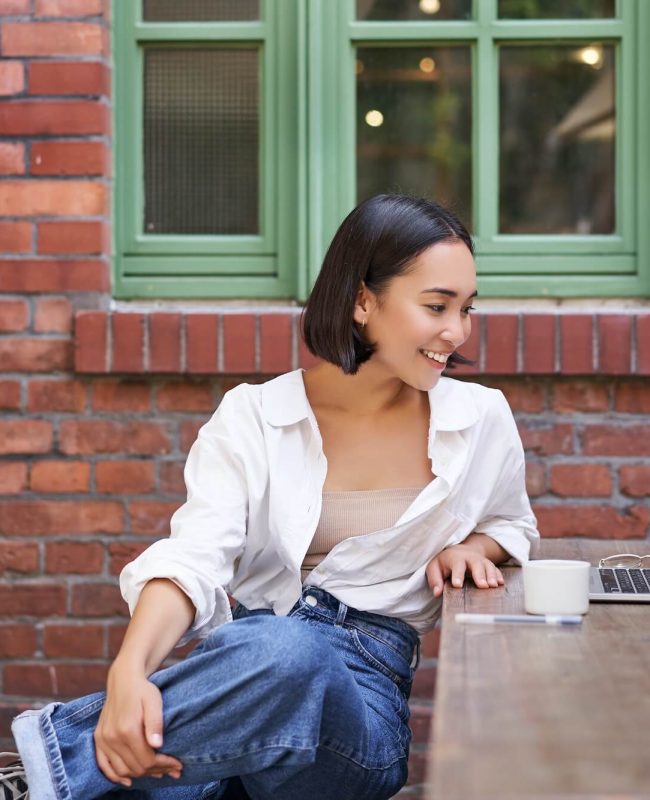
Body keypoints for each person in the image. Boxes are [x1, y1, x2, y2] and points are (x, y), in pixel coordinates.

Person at [2, 194, 538, 800]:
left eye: (466, 309)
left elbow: (513, 522)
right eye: (437, 306)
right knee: (253, 664)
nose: (457, 331)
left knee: (290, 652)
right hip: (245, 681)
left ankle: (43, 771)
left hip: (358, 716)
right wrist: (129, 671)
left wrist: (481, 544)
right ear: (363, 301)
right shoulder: (255, 414)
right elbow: (195, 557)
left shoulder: (479, 418)